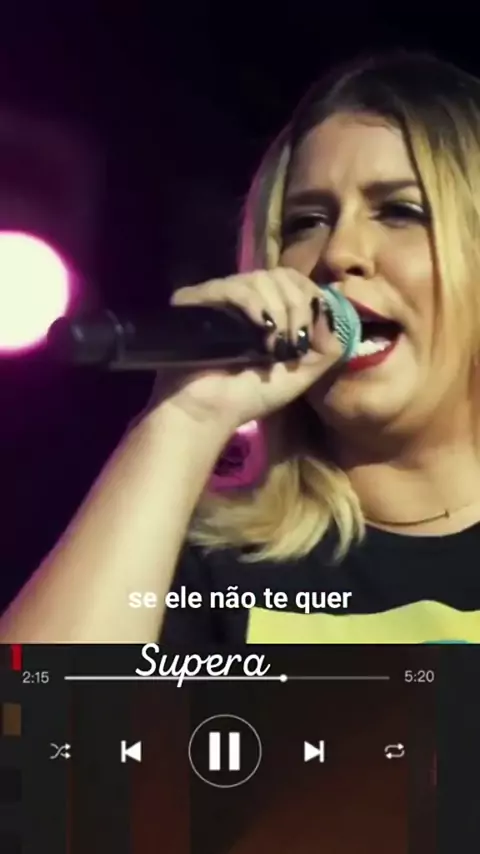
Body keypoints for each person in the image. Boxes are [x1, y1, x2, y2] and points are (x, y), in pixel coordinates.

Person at [2, 48, 480, 644]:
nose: (337, 253)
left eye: (400, 211)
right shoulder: (208, 568)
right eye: (307, 222)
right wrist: (185, 416)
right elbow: (46, 705)